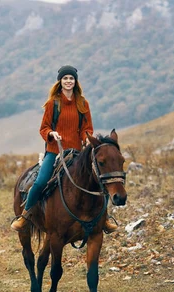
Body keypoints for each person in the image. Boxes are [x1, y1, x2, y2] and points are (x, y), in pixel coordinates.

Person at [11, 65, 118, 233]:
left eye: (71, 78)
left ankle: (104, 219)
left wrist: (85, 139)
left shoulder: (83, 103)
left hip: (77, 152)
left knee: (98, 180)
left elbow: (86, 128)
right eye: (65, 78)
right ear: (60, 82)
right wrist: (52, 134)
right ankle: (25, 216)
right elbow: (43, 128)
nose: (68, 81)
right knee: (40, 182)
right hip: (55, 151)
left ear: (75, 82)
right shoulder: (52, 104)